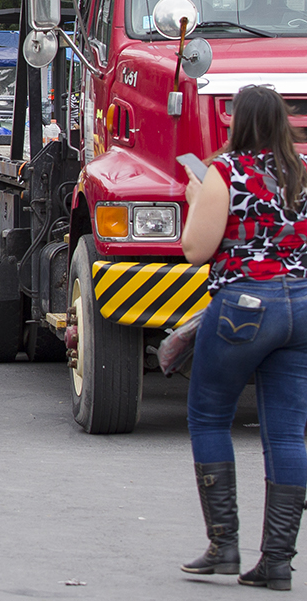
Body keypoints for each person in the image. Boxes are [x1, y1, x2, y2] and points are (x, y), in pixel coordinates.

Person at [179, 85, 307, 589]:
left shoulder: (225, 173)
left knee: (209, 416)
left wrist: (196, 199)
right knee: (285, 433)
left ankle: (224, 545)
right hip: (299, 304)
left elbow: (194, 248)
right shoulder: (300, 172)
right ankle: (277, 561)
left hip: (244, 307)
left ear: (239, 124)